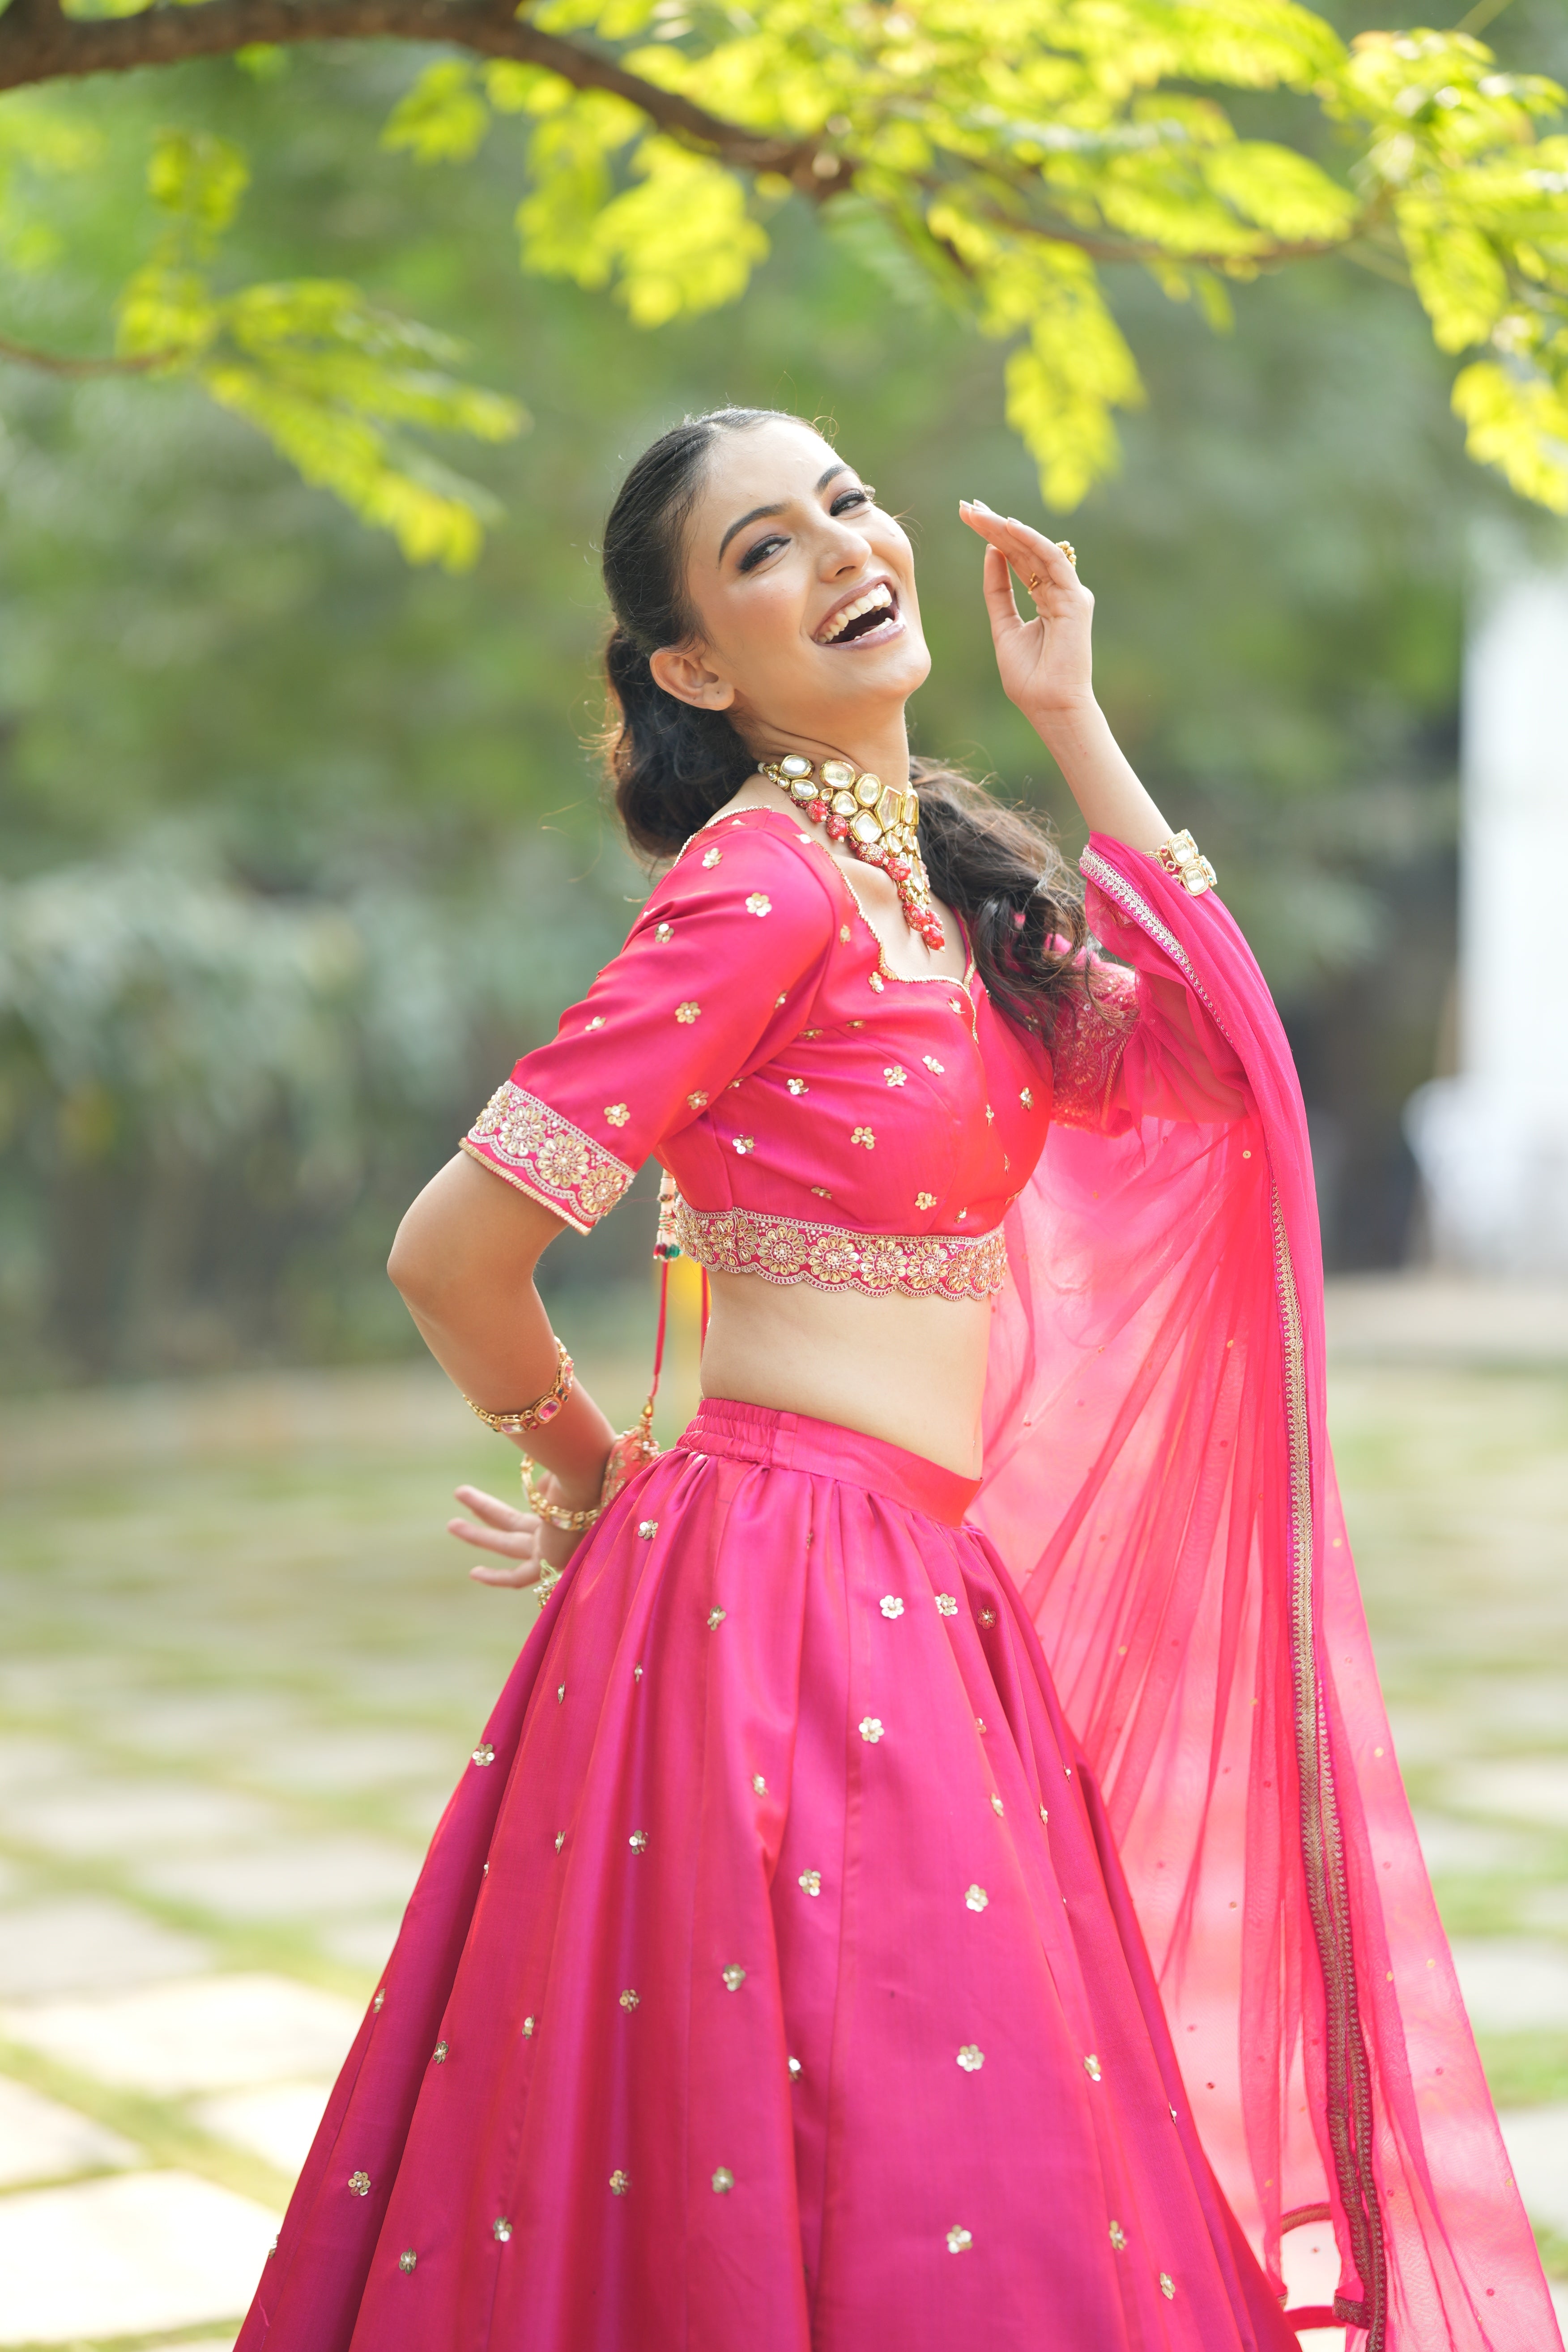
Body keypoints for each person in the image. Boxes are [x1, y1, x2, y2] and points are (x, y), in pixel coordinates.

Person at [238, 410, 1557, 2352]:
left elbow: (1223, 1066)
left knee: (957, 2153)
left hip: (920, 1595)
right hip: (779, 1600)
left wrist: (1071, 714)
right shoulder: (761, 892)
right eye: (764, 547)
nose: (844, 546)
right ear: (696, 667)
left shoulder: (944, 901)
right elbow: (453, 1251)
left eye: (846, 504)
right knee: (904, 2151)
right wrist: (588, 1472)